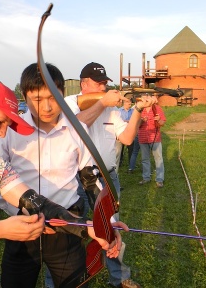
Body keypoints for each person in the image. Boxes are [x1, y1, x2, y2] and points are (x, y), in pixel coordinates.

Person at [0, 63, 126, 288]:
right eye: (36, 98)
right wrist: (18, 211)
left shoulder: (76, 129)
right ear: (24, 95)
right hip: (22, 227)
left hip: (68, 227)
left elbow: (91, 180)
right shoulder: (10, 131)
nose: (46, 107)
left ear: (62, 93)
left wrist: (108, 222)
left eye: (53, 97)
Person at [0, 79, 108, 287]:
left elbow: (35, 202)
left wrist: (91, 227)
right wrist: (1, 229)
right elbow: (1, 228)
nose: (4, 133)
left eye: (8, 124)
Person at [65, 62, 157, 288]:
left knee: (112, 229)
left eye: (105, 84)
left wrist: (137, 110)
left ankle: (119, 278)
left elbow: (126, 138)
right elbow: (77, 125)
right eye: (99, 83)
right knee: (72, 232)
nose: (104, 87)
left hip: (107, 177)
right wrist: (103, 102)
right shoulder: (70, 103)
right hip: (76, 179)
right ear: (84, 84)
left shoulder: (112, 110)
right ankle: (70, 278)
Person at [138, 104, 166, 187]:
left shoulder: (157, 108)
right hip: (143, 138)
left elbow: (162, 123)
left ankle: (159, 179)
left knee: (158, 159)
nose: (146, 99)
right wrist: (142, 121)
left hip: (155, 138)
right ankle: (146, 178)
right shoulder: (139, 109)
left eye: (147, 96)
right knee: (145, 159)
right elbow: (136, 125)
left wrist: (159, 119)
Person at [116, 100, 134, 172]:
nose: (129, 104)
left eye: (130, 103)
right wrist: (126, 121)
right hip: (121, 132)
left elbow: (134, 120)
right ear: (124, 103)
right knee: (120, 149)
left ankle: (131, 163)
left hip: (130, 132)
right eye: (128, 103)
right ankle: (119, 162)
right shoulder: (118, 111)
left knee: (131, 148)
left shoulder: (133, 111)